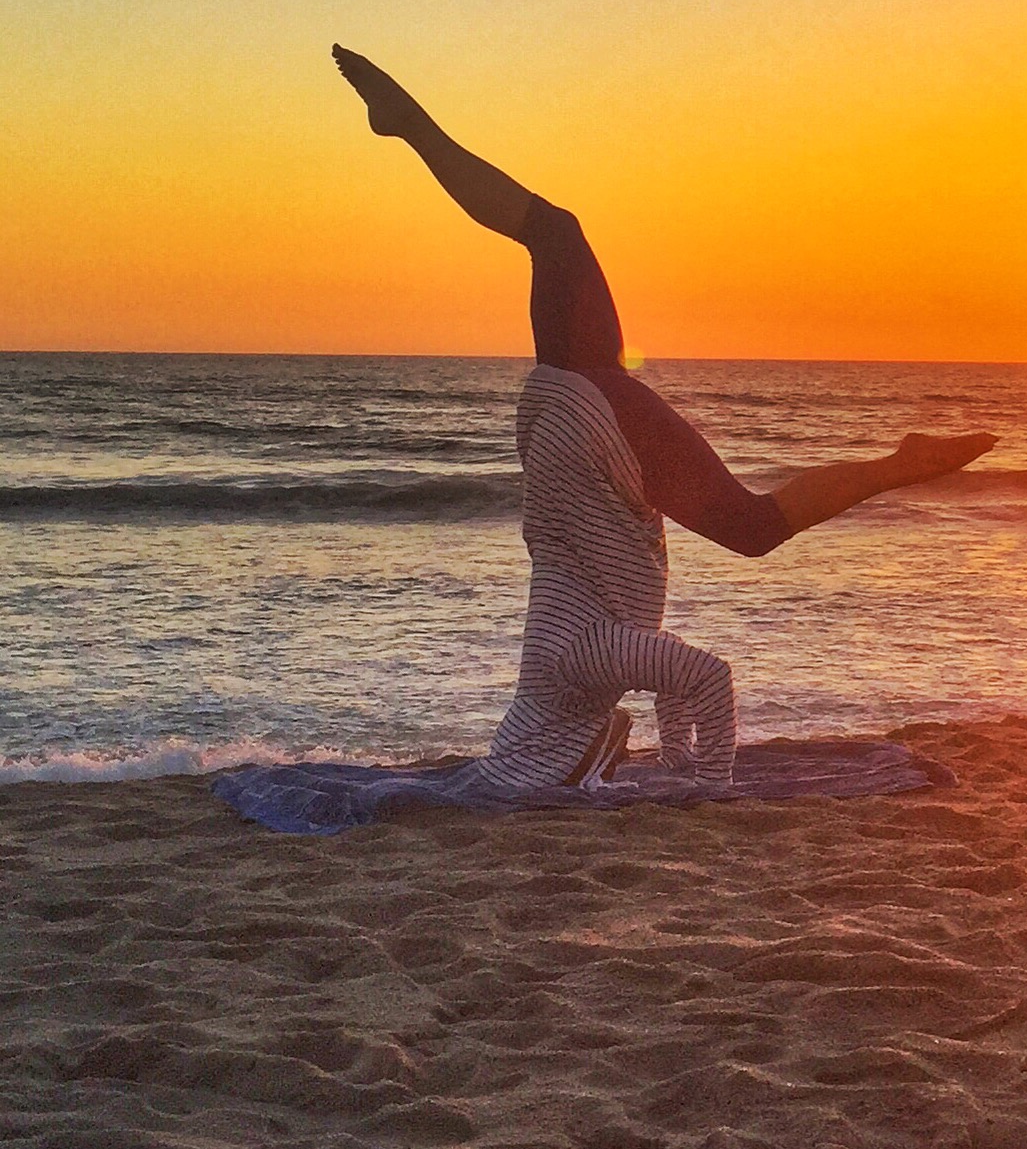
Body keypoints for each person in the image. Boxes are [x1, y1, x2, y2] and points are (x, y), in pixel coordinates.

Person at [331, 46, 993, 796]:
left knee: (749, 522)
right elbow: (686, 675)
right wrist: (697, 780)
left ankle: (899, 464)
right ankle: (900, 464)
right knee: (557, 238)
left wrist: (701, 779)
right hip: (573, 430)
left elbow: (698, 678)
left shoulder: (577, 663)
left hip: (583, 430)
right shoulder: (580, 666)